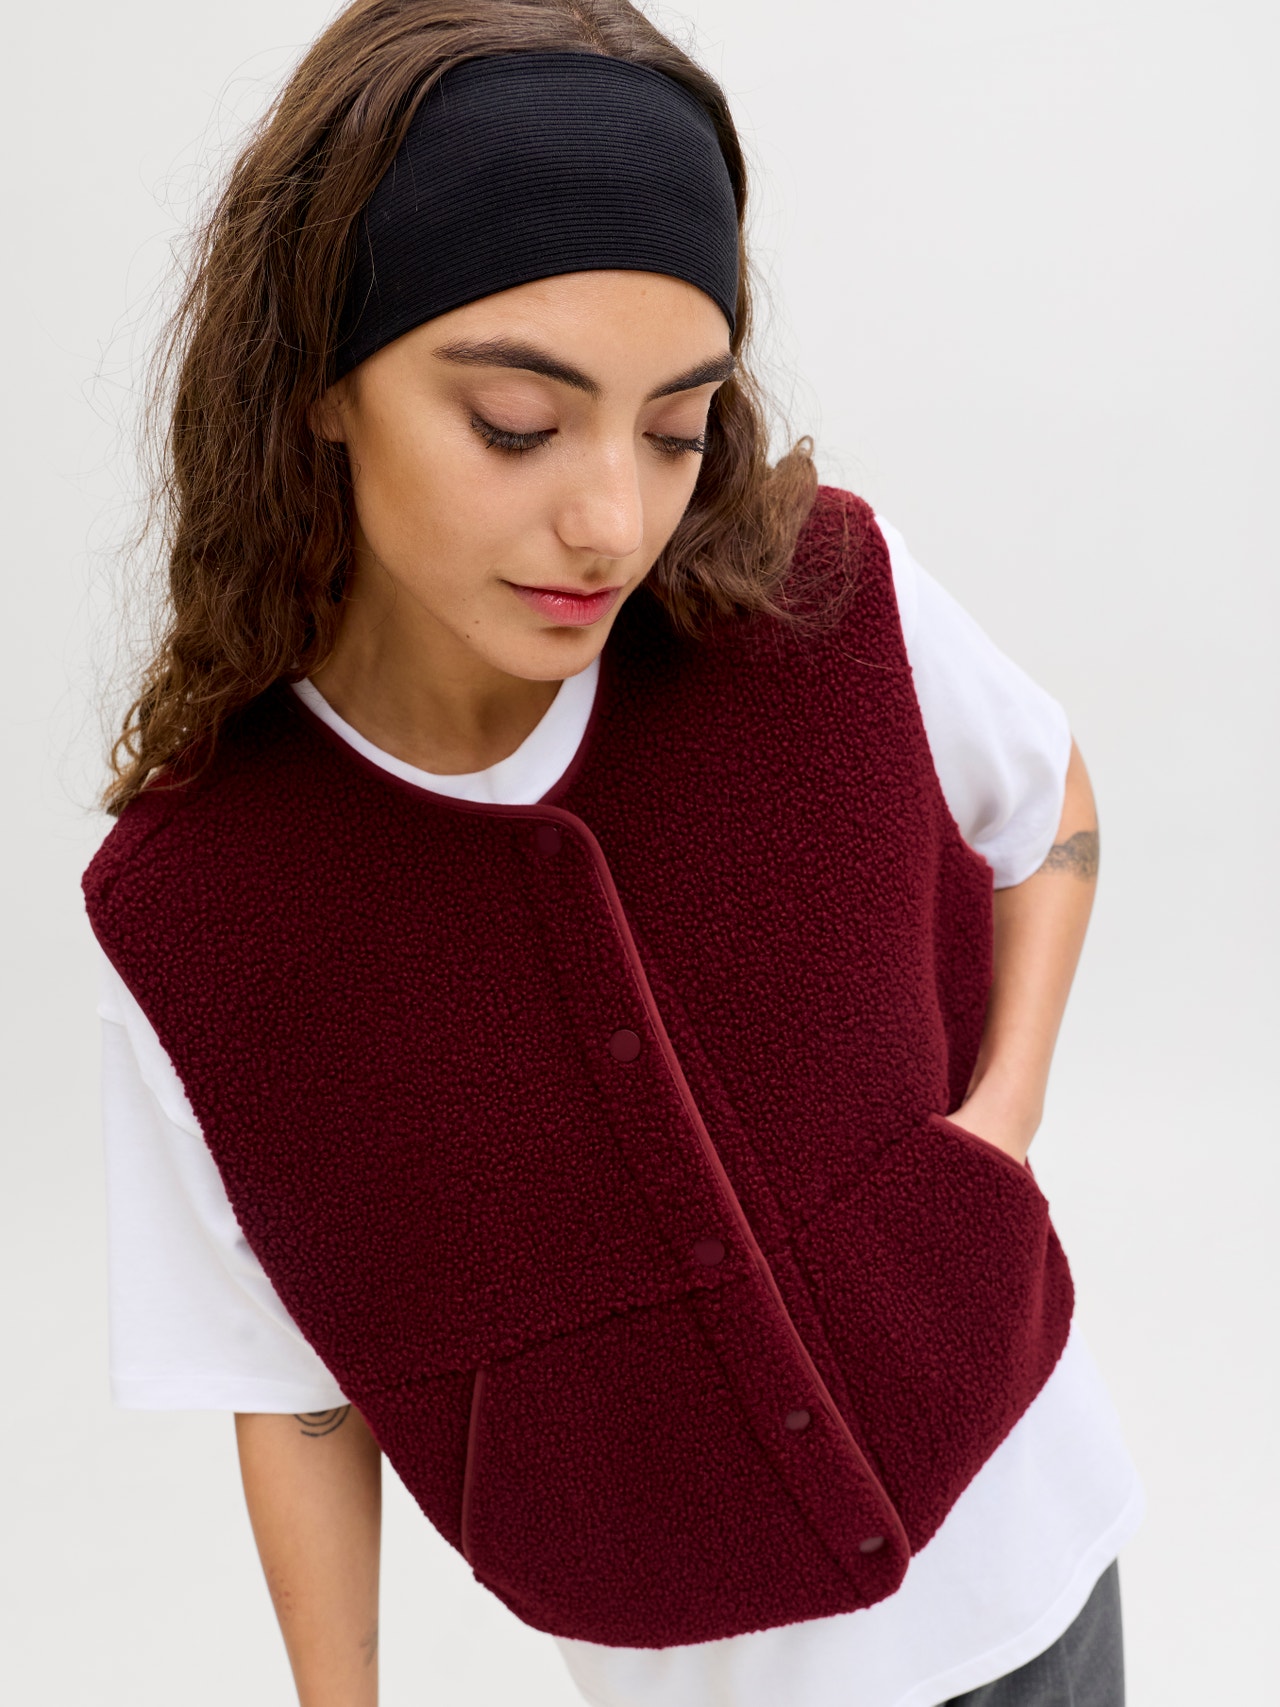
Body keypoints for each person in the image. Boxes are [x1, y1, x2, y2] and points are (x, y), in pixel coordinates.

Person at [83, 3, 1144, 1704]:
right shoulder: (197, 910)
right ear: (319, 385)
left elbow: (1051, 804)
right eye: (519, 422)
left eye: (675, 429)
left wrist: (1000, 1126)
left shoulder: (823, 600)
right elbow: (284, 1381)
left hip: (1033, 1550)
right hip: (680, 1668)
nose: (613, 523)